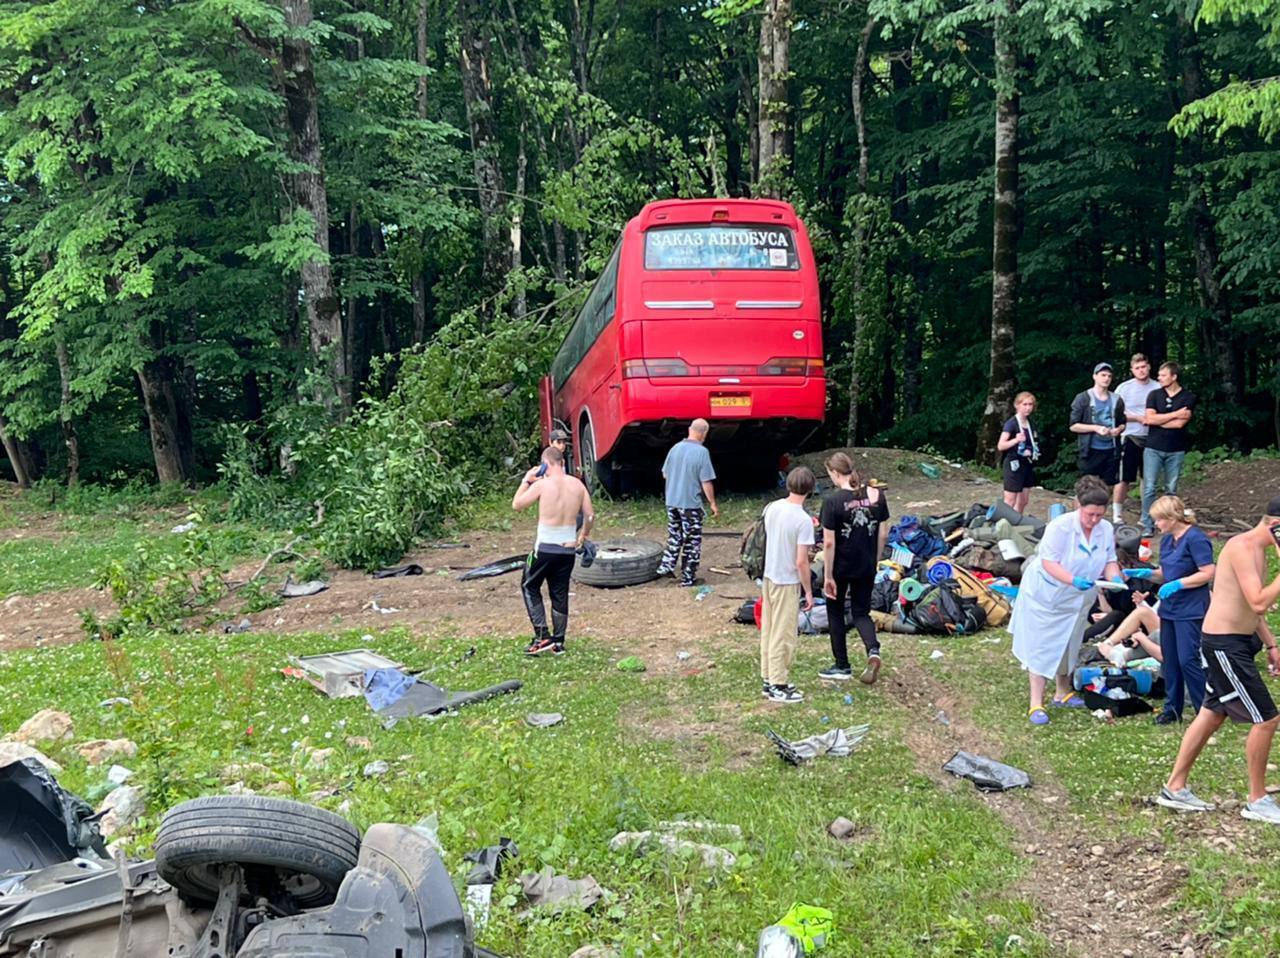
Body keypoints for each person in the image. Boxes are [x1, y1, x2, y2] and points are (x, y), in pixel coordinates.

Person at [1155, 498, 1280, 824]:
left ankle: (1174, 787)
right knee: (1266, 718)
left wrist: (1270, 644)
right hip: (1224, 645)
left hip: (1235, 641)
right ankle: (1257, 799)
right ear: (1275, 525)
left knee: (1212, 714)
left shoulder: (1258, 551)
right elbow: (1257, 601)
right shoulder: (1241, 548)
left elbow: (1249, 606)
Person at [1011, 478, 1123, 725]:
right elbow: (1050, 562)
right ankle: (1036, 703)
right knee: (1042, 645)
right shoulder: (1060, 527)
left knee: (1070, 641)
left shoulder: (1105, 529)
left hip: (1078, 598)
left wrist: (1115, 578)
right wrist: (1072, 579)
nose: (1094, 520)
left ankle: (1062, 692)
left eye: (1099, 515)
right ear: (1078, 507)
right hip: (1048, 594)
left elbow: (1109, 559)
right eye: (1090, 514)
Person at [1123, 496, 1215, 725]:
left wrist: (1180, 584)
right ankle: (1172, 708)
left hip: (1191, 607)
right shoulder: (1166, 541)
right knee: (1170, 660)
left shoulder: (1195, 538)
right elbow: (1166, 572)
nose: (1156, 525)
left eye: (1158, 520)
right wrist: (1147, 574)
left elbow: (1207, 572)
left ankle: (1204, 708)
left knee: (1187, 659)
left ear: (1171, 518)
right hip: (1170, 608)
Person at [511, 446, 594, 656]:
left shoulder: (543, 485)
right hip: (567, 548)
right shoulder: (578, 484)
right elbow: (590, 516)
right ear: (563, 463)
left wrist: (526, 480)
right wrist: (582, 537)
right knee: (559, 592)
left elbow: (517, 505)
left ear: (544, 465)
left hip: (545, 547)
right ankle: (558, 641)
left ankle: (542, 635)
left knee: (529, 586)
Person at [819, 453, 890, 685]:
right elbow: (884, 532)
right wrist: (875, 560)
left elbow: (829, 543)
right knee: (861, 612)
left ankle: (842, 664)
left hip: (840, 566)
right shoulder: (877, 495)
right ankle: (873, 651)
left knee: (836, 612)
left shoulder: (832, 502)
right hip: (866, 564)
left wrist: (828, 575)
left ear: (836, 473)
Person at [759, 466, 816, 704]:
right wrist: (809, 590)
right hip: (786, 581)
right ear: (810, 490)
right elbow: (801, 561)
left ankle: (768, 676)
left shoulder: (772, 508)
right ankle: (778, 685)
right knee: (784, 633)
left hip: (769, 576)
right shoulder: (803, 520)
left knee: (769, 629)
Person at [656, 419, 719, 587]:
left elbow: (665, 474)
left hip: (672, 501)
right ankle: (688, 577)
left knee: (675, 535)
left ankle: (667, 565)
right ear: (704, 433)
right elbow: (706, 481)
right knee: (692, 541)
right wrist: (712, 503)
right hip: (690, 503)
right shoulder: (702, 452)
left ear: (690, 429)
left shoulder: (675, 448)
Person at [1141, 361, 1195, 536]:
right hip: (1153, 447)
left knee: (1171, 489)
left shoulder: (1188, 397)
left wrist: (1160, 419)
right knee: (1149, 487)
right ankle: (1147, 523)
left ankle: (1171, 524)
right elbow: (1149, 419)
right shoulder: (1154, 395)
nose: (1159, 378)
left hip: (1176, 448)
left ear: (1174, 377)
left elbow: (1180, 424)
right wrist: (1175, 414)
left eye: (1163, 375)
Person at [1113, 354, 1162, 524]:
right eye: (1137, 368)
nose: (1141, 370)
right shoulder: (1124, 388)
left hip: (1153, 437)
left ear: (1149, 367)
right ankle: (1117, 514)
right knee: (1124, 477)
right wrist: (1138, 418)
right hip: (1130, 436)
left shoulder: (1158, 387)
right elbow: (1116, 413)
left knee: (1148, 479)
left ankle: (1146, 516)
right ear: (1132, 370)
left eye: (1143, 367)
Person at [1069, 362, 1127, 488]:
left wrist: (1119, 429)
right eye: (1103, 375)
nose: (1106, 378)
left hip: (1111, 450)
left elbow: (1123, 422)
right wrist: (1095, 428)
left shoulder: (1117, 399)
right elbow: (1073, 426)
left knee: (1106, 488)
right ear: (1094, 376)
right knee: (1085, 488)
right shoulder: (1083, 398)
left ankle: (1104, 508)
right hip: (1090, 450)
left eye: (1109, 376)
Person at [996, 391, 1040, 515]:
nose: (1028, 408)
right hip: (1013, 463)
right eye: (1024, 404)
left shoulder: (1031, 423)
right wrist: (1016, 440)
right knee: (1010, 499)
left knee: (1023, 500)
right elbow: (1001, 446)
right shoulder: (1011, 424)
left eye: (1030, 405)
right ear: (1017, 405)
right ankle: (1003, 524)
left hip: (1027, 463)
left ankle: (1016, 523)